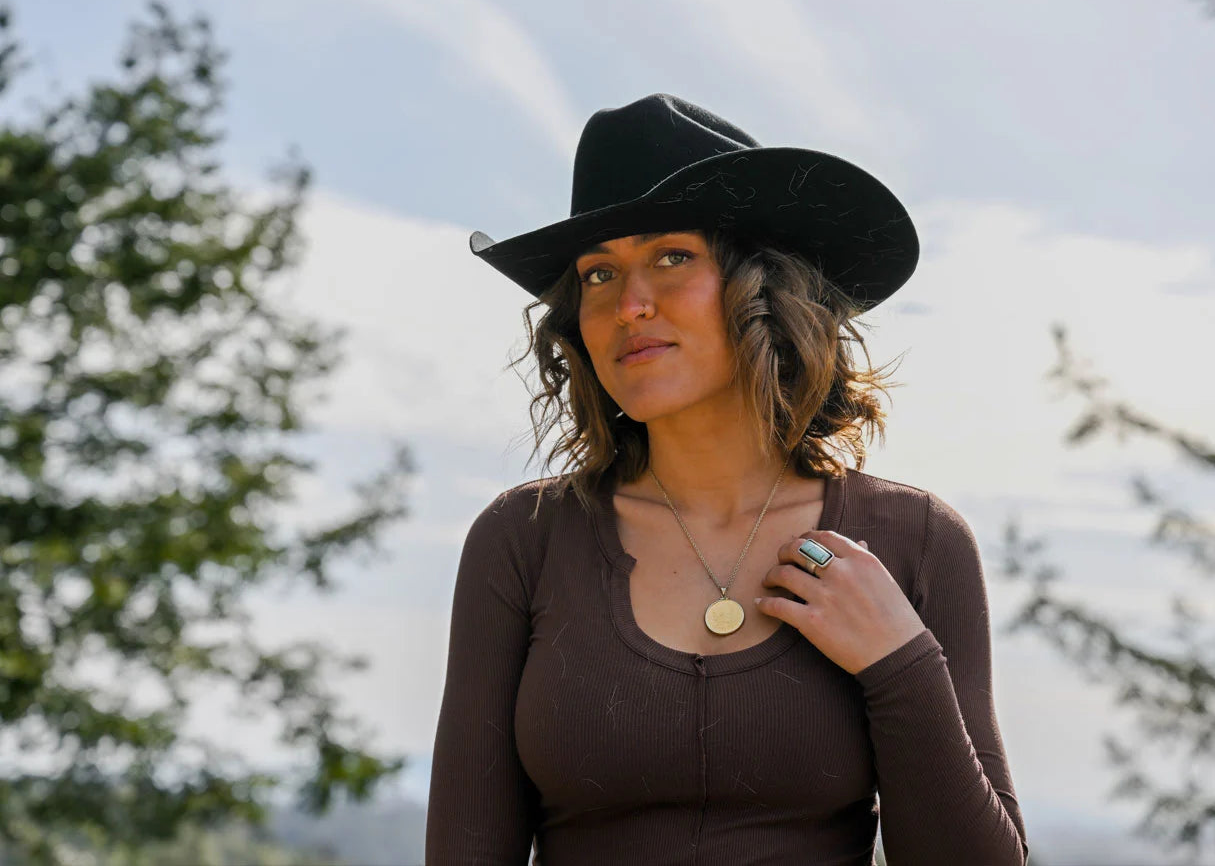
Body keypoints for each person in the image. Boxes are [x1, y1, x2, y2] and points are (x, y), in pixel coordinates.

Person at [425, 93, 1029, 865]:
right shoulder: (523, 542)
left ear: (765, 290)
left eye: (671, 257)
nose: (628, 304)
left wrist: (900, 662)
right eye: (599, 274)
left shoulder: (917, 542)